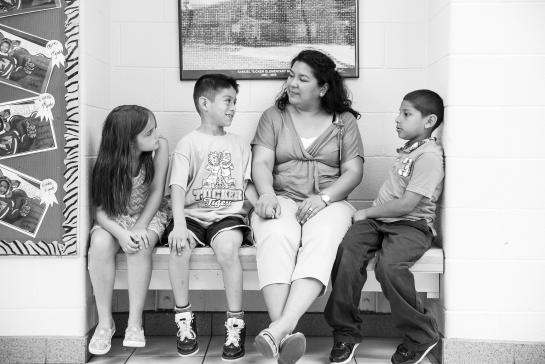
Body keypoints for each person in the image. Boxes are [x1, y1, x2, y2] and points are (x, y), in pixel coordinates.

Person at [251, 49, 364, 363]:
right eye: (291, 75)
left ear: (323, 88)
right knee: (275, 234)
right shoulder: (273, 116)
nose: (292, 83)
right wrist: (266, 195)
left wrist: (324, 198)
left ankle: (278, 329)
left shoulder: (344, 122)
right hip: (281, 197)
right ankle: (283, 336)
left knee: (325, 238)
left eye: (302, 79)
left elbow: (354, 172)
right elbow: (261, 162)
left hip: (330, 202)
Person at [325, 89, 445, 364]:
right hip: (379, 222)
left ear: (429, 121)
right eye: (399, 112)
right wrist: (371, 218)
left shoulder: (429, 156)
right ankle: (345, 332)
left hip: (411, 226)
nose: (397, 119)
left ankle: (421, 334)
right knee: (347, 254)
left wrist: (365, 212)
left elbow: (406, 205)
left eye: (406, 114)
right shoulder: (411, 148)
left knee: (389, 267)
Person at [167, 73, 257, 361]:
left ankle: (235, 324)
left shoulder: (240, 143)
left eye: (235, 102)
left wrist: (264, 205)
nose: (233, 107)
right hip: (192, 216)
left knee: (228, 249)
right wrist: (179, 225)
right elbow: (177, 188)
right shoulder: (188, 143)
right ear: (205, 103)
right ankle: (184, 320)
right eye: (228, 101)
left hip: (226, 216)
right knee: (179, 249)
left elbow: (247, 185)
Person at [87, 105, 170, 355]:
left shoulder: (159, 148)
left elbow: (156, 192)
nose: (156, 136)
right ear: (128, 141)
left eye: (155, 129)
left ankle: (135, 322)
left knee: (141, 244)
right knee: (100, 244)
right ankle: (105, 323)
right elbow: (99, 211)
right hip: (115, 219)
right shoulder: (108, 162)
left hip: (149, 214)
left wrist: (139, 227)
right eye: (149, 133)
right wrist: (122, 234)